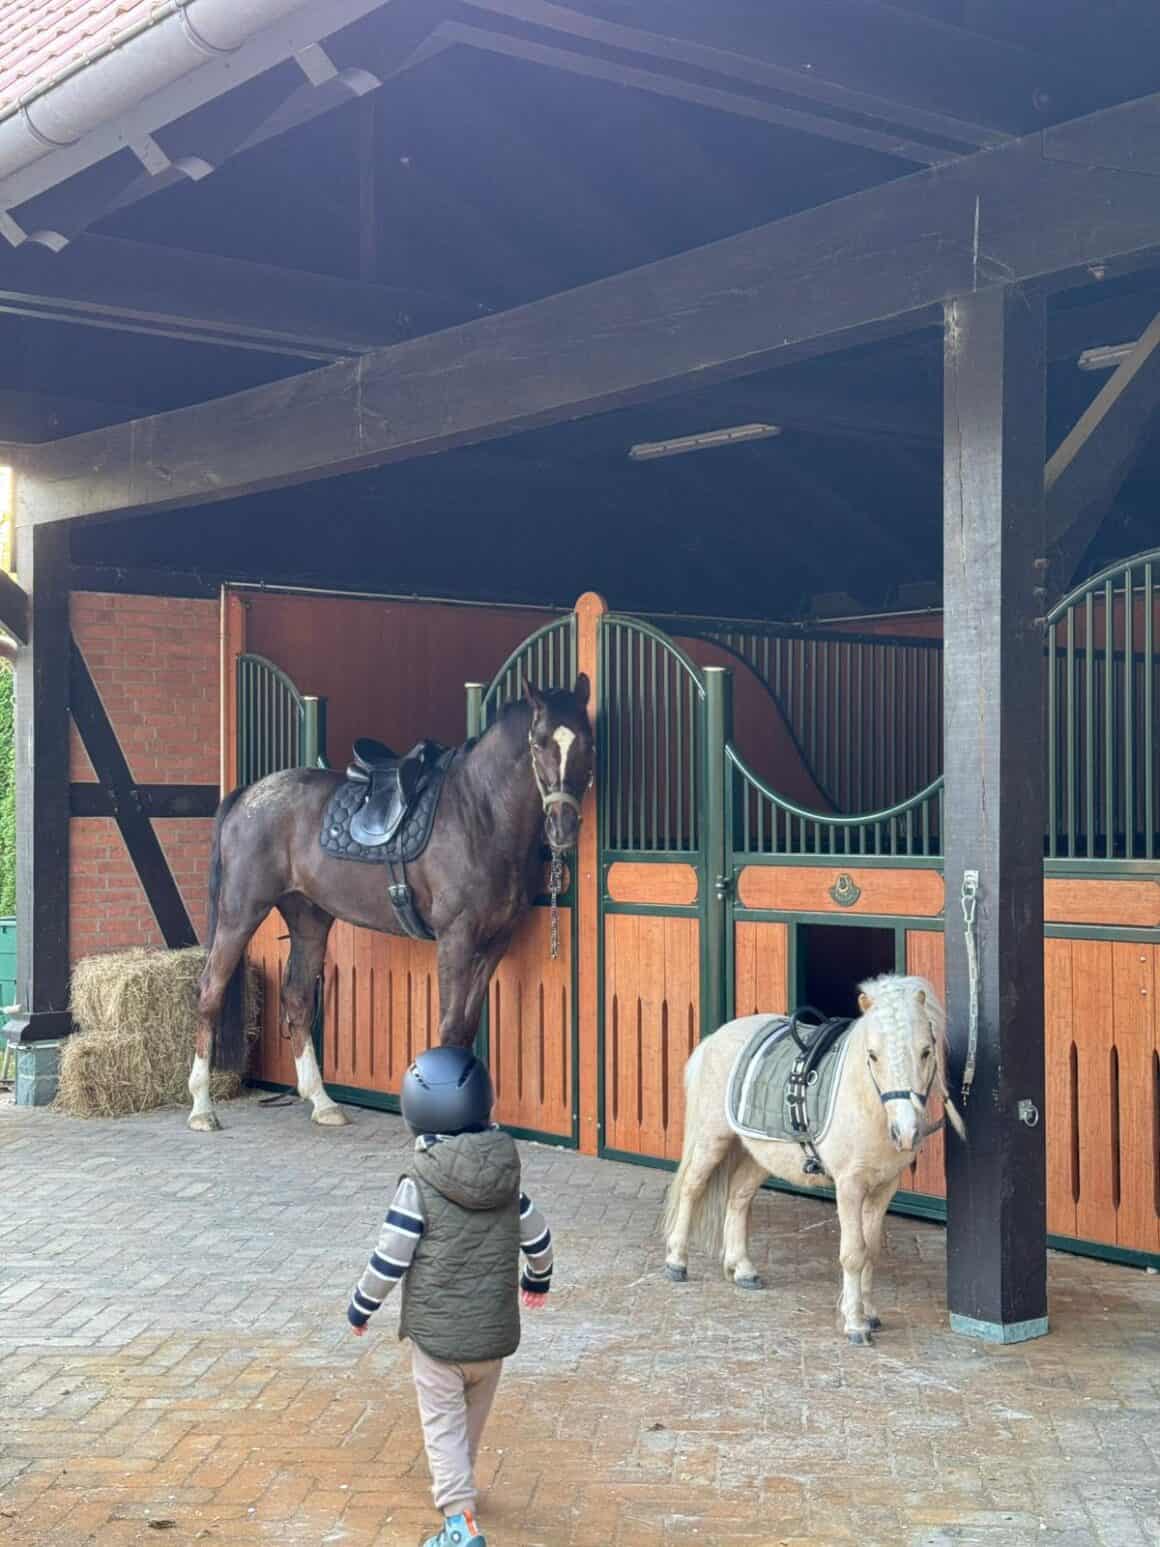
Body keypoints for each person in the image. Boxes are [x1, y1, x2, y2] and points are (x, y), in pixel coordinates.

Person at [347, 1045, 553, 1547]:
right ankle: (461, 1489)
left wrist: (361, 1305)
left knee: (442, 1425)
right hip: (492, 1339)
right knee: (468, 1425)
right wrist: (537, 1280)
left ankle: (459, 1525)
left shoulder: (419, 1185)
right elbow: (539, 1238)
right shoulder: (507, 1180)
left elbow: (390, 1257)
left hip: (438, 1340)